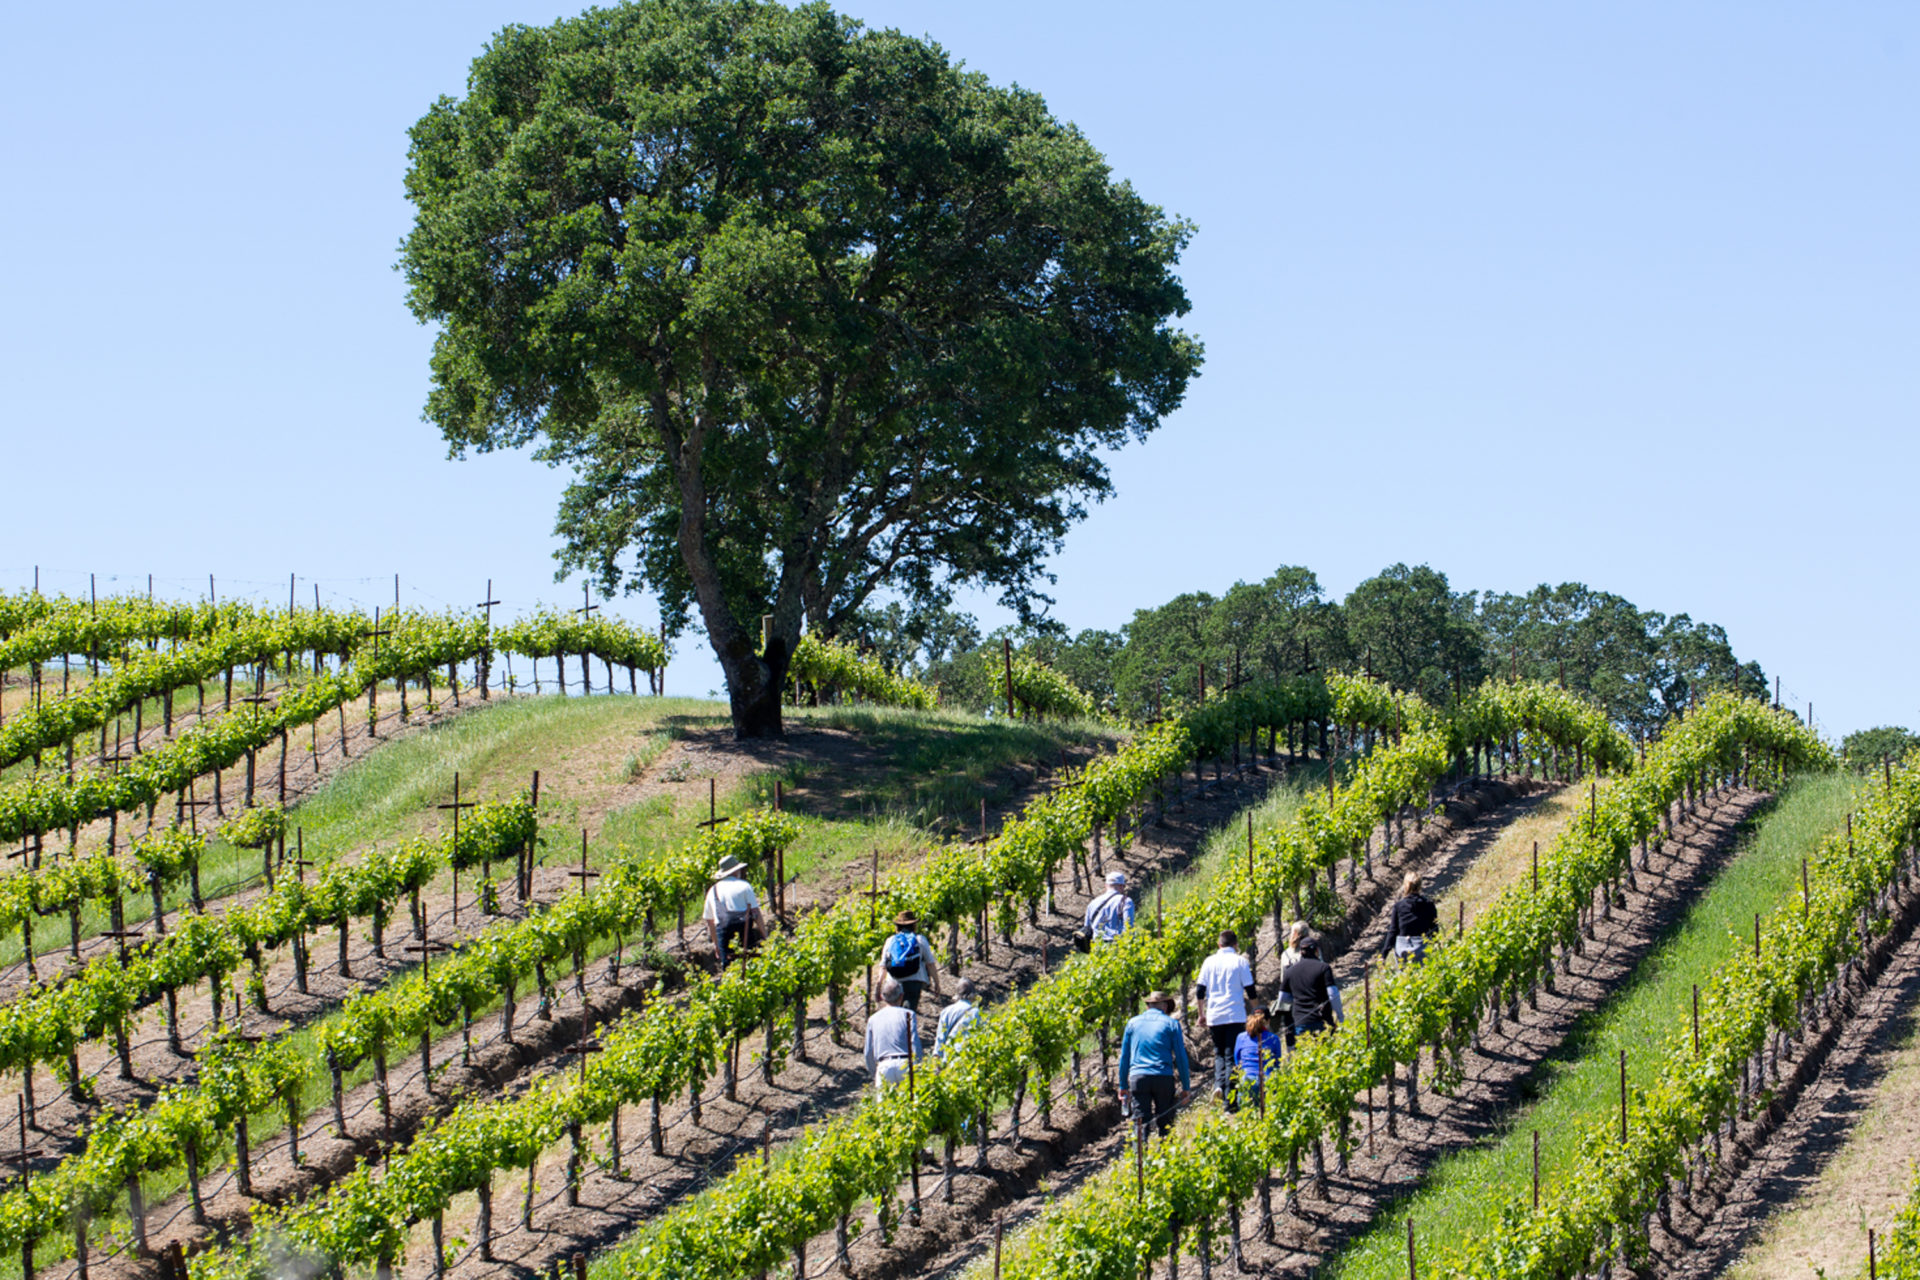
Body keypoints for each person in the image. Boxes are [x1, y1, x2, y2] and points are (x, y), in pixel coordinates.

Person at [1116, 990, 1191, 1139]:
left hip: (1138, 1078)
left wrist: (1123, 1085)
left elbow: (1124, 1057)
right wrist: (1186, 1087)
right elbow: (1181, 1058)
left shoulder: (1132, 1023)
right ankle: (1166, 1157)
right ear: (1164, 1007)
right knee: (1166, 1122)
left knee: (1140, 1121)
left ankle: (1140, 1158)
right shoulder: (1172, 1024)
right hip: (1163, 1077)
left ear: (1148, 1006)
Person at [1195, 929, 1256, 1099]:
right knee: (1232, 1056)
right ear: (1236, 944)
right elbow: (1250, 990)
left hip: (1215, 1015)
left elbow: (1200, 990)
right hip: (1235, 1014)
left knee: (1219, 1053)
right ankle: (1231, 1101)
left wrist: (1201, 1014)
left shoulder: (1209, 962)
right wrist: (1256, 1011)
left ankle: (1218, 1085)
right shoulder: (1240, 962)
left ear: (1219, 944)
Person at [701, 855, 763, 967]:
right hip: (744, 928)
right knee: (750, 963)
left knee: (729, 967)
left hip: (724, 931)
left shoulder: (713, 890)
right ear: (736, 870)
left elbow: (710, 922)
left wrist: (717, 945)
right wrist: (765, 935)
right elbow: (756, 913)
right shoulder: (744, 886)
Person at [864, 978, 923, 1087]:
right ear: (901, 996)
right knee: (910, 1102)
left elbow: (868, 1052)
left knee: (884, 1103)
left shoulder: (872, 1019)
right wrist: (919, 1067)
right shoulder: (908, 1014)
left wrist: (875, 1073)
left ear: (882, 997)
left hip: (884, 1066)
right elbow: (914, 1043)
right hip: (905, 1064)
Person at [1280, 936, 1344, 1038]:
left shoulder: (1290, 971)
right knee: (1325, 1051)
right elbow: (1332, 994)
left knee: (1306, 1051)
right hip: (1322, 1020)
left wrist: (1298, 999)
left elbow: (1282, 997)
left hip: (1300, 1021)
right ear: (1317, 950)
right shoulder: (1323, 968)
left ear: (1300, 951)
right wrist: (1340, 1016)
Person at [881, 910, 943, 1011]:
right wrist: (937, 983)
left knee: (894, 1012)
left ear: (897, 926)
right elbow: (930, 964)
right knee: (909, 1014)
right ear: (914, 926)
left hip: (893, 982)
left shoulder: (890, 940)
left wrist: (879, 984)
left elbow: (883, 966)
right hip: (914, 982)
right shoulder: (920, 939)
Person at [1231, 1006, 1285, 1110]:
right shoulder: (1274, 1038)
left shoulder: (1241, 1037)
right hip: (1267, 1080)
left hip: (1247, 1079)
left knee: (1247, 1117)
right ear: (1268, 1021)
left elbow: (1237, 1061)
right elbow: (1277, 1064)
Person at [1380, 872, 1439, 963]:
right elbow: (1434, 929)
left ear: (1405, 886)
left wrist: (1383, 955)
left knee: (1404, 974)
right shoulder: (1428, 905)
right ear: (1420, 886)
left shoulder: (1398, 906)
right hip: (1422, 947)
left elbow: (1393, 931)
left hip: (1403, 949)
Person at [1276, 920, 1309, 1048]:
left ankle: (1291, 1056)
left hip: (1291, 996)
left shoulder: (1285, 954)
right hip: (1307, 995)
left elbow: (1283, 978)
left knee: (1290, 1027)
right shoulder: (1311, 950)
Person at [1083, 870, 1136, 945]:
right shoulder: (1125, 901)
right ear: (1121, 886)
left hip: (1096, 945)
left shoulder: (1092, 903)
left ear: (1106, 885)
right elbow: (1128, 926)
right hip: (1116, 944)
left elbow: (1087, 928)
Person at [934, 978, 983, 1057]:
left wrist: (937, 1060)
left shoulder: (946, 1011)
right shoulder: (976, 1012)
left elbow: (940, 1038)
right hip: (968, 1059)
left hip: (948, 1057)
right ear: (973, 995)